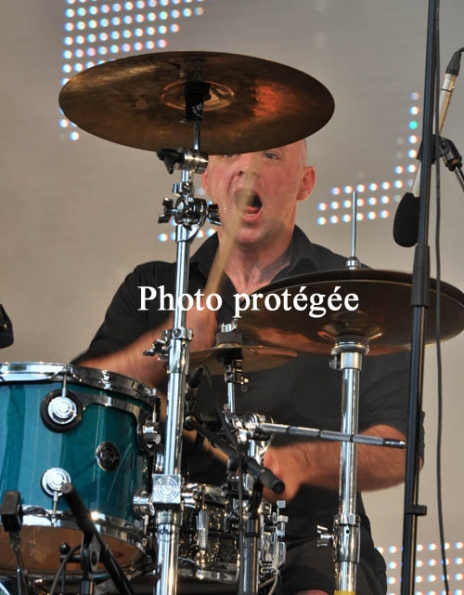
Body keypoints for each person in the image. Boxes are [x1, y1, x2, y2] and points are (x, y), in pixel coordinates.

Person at [74, 140, 411, 595]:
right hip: (164, 539)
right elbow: (77, 400)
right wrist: (166, 344)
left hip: (309, 540)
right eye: (232, 154)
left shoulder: (355, 296)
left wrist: (302, 462)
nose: (247, 170)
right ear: (208, 179)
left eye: (271, 155)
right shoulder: (153, 286)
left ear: (304, 183)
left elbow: (399, 447)